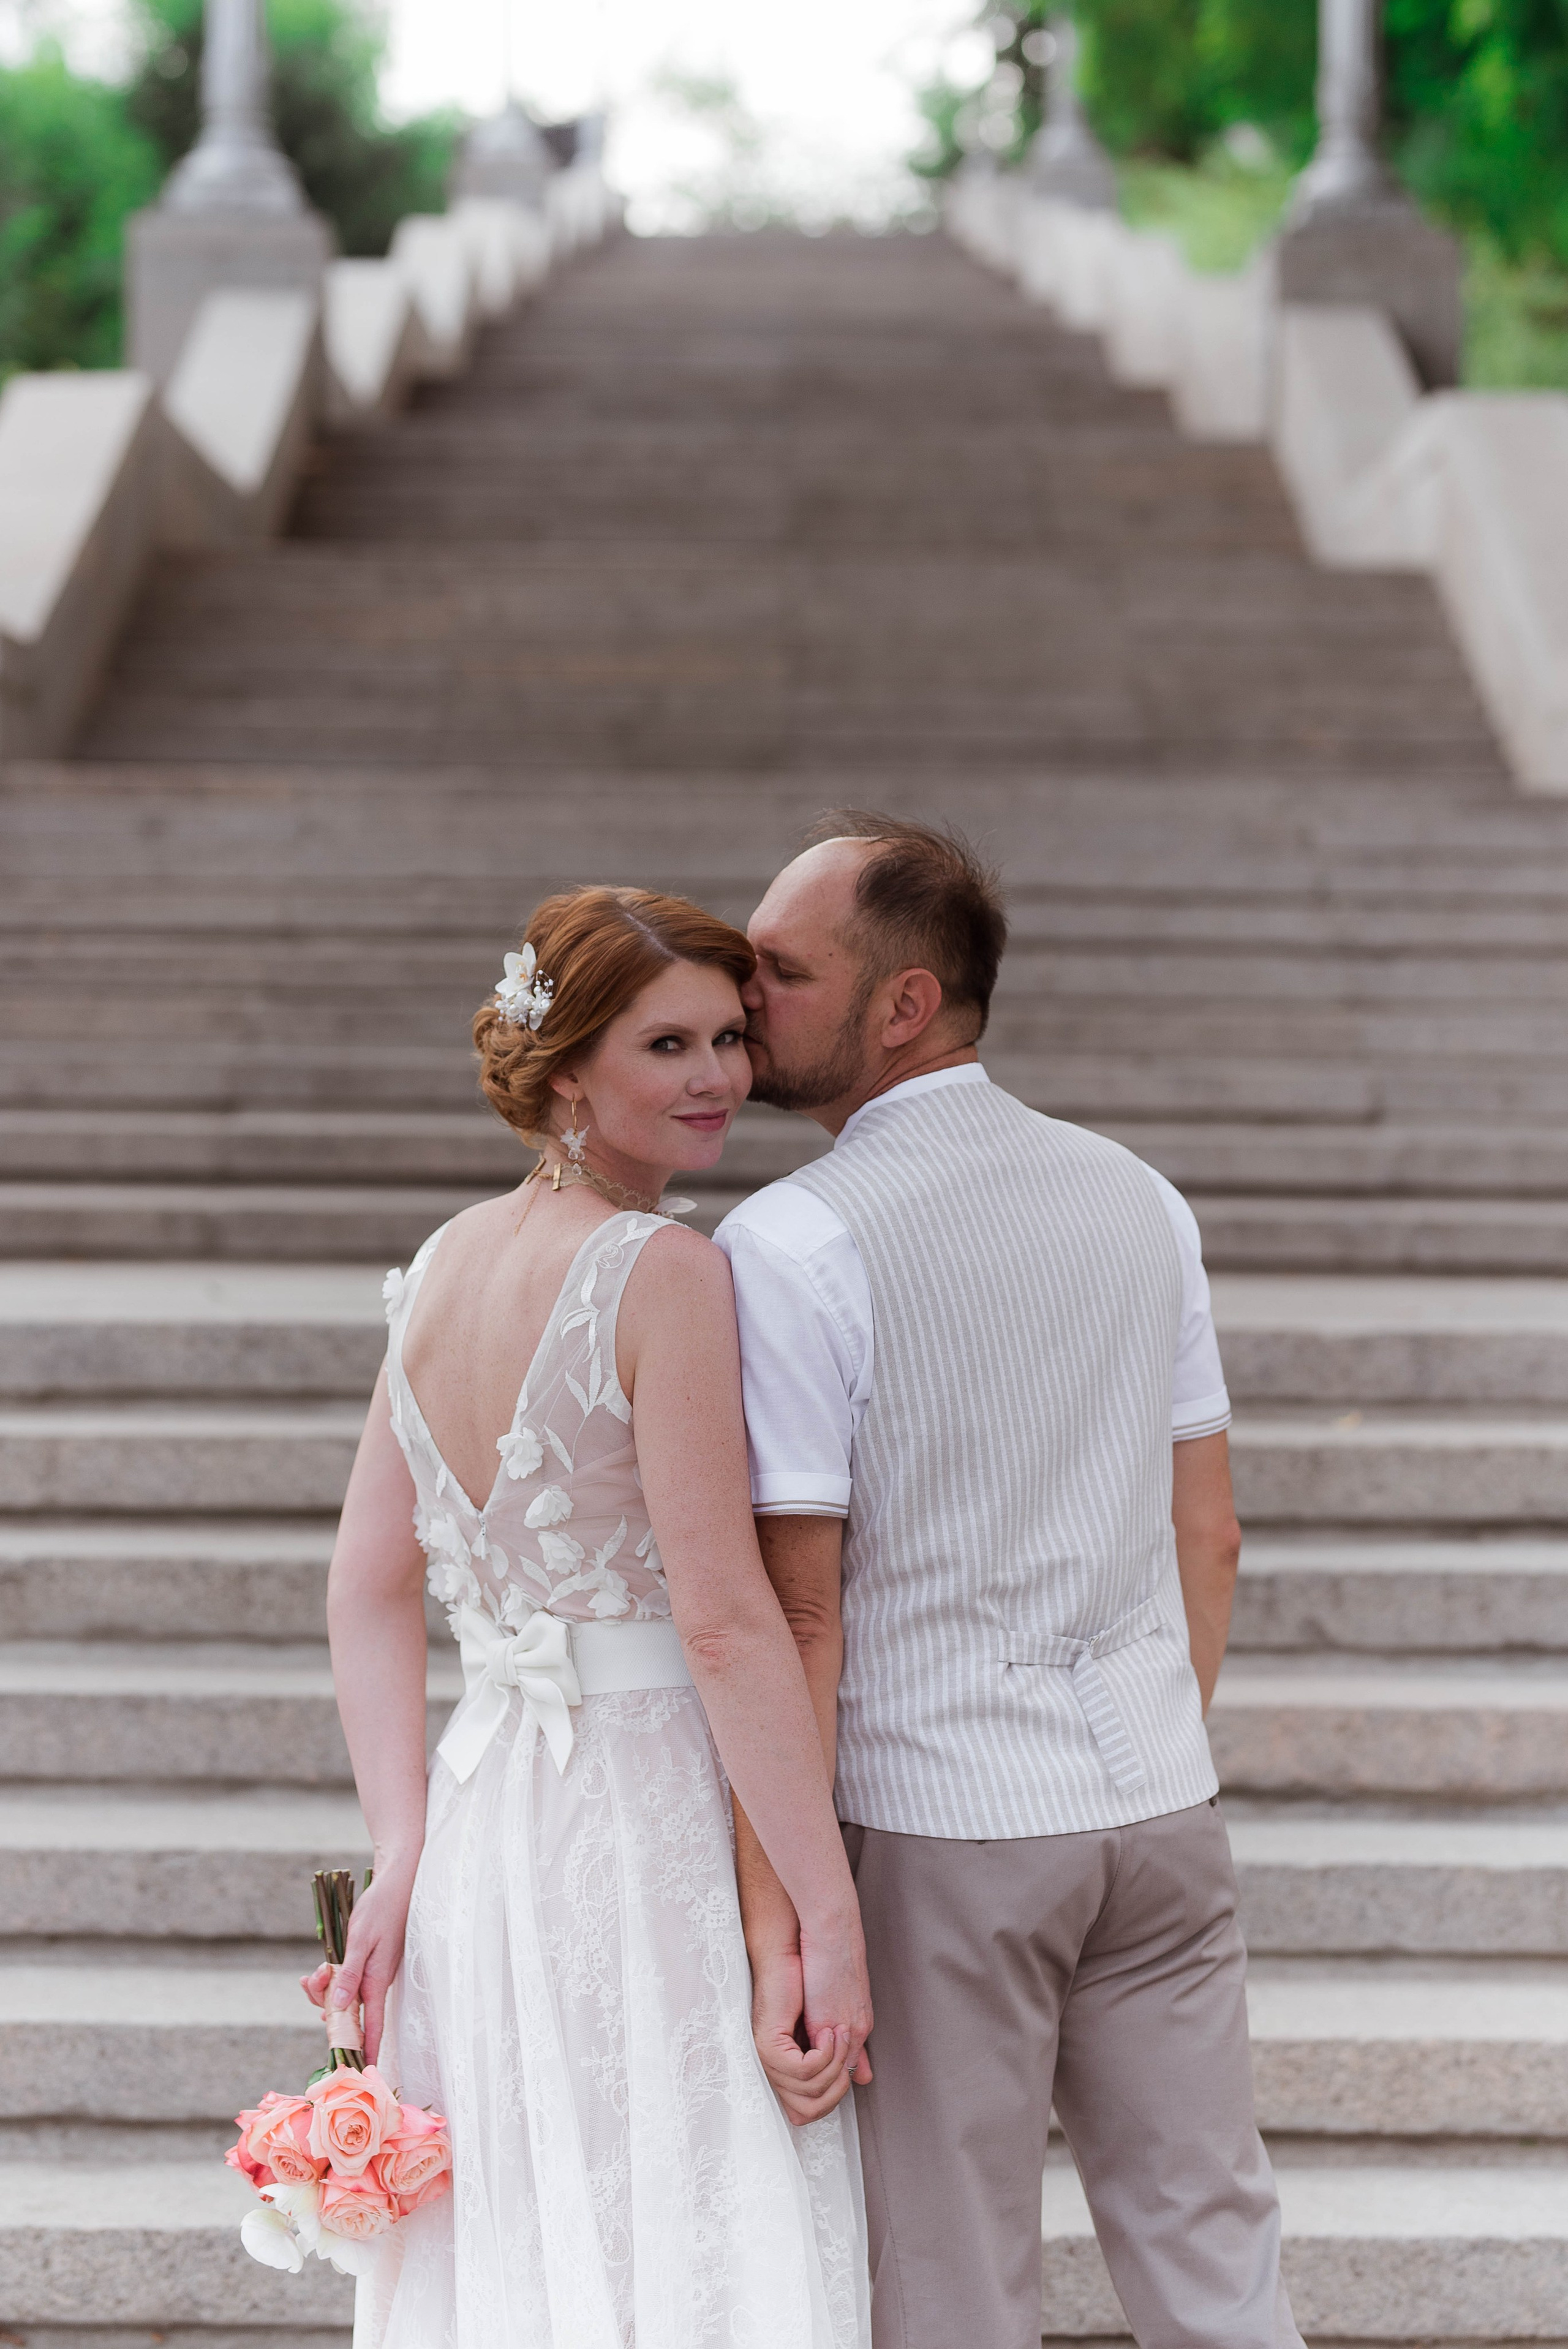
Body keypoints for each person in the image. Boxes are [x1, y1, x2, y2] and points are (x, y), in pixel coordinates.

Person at [715, 813, 1305, 2349]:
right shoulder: (1139, 1195)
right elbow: (1212, 1531)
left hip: (941, 1819)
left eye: (780, 967)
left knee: (947, 2283)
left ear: (902, 1004)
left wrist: (790, 1913)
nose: (740, 992)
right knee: (1212, 2250)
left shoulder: (789, 1243)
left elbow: (797, 1613)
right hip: (1156, 1806)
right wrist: (1158, 1745)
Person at [315, 886, 873, 2349]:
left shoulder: (437, 1266)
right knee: (681, 2212)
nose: (716, 1078)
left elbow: (367, 1585)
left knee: (538, 2218)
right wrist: (822, 1912)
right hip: (645, 1806)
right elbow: (729, 1624)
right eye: (667, 1043)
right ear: (566, 1068)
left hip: (491, 1815)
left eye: (732, 1038)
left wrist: (402, 1839)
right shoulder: (661, 1270)